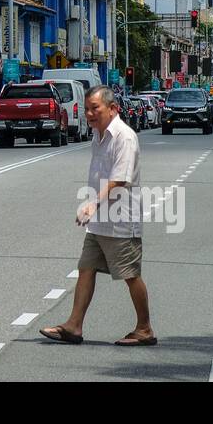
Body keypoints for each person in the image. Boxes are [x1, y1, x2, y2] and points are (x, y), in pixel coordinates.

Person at [41, 85, 157, 347]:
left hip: (120, 221)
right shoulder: (99, 134)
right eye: (87, 109)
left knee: (130, 275)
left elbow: (118, 179)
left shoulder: (124, 137)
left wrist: (92, 204)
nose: (90, 114)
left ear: (113, 108)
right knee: (86, 268)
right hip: (99, 220)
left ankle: (145, 329)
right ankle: (74, 326)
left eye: (95, 108)